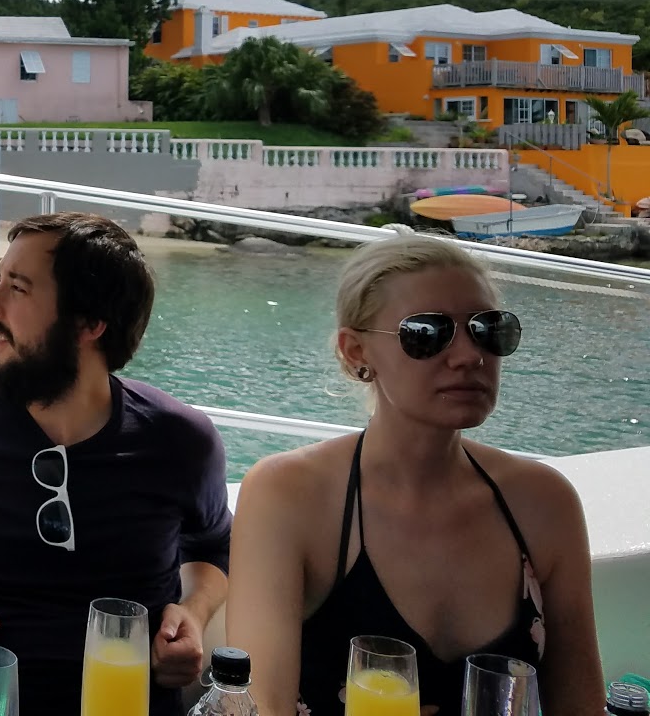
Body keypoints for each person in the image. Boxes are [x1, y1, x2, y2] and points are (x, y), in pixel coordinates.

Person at [0, 212, 232, 716]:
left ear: (89, 323)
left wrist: (193, 612)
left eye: (17, 288)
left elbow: (216, 545)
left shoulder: (179, 440)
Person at [226, 233, 605, 715]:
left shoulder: (543, 503)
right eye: (428, 332)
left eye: (488, 329)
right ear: (356, 351)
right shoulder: (290, 495)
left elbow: (580, 704)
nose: (469, 355)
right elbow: (261, 706)